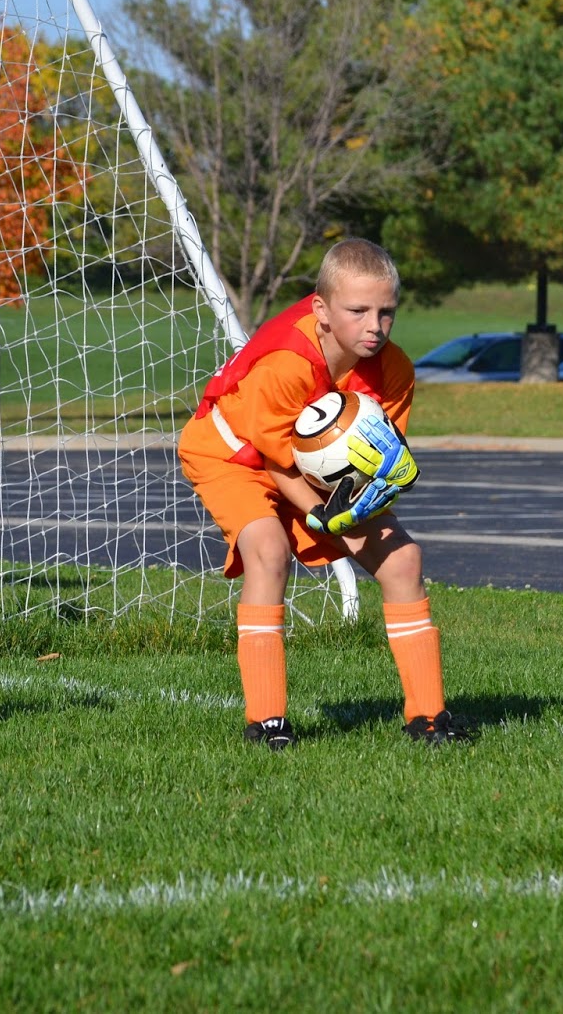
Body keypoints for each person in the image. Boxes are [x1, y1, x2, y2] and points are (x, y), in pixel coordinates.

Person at [179, 238, 471, 749]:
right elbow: (273, 456)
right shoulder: (286, 363)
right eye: (358, 311)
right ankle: (267, 722)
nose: (374, 325)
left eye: (386, 312)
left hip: (310, 476)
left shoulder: (394, 370)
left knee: (403, 560)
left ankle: (429, 717)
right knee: (268, 551)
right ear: (321, 310)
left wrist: (375, 493)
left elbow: (374, 465)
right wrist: (320, 512)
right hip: (231, 455)